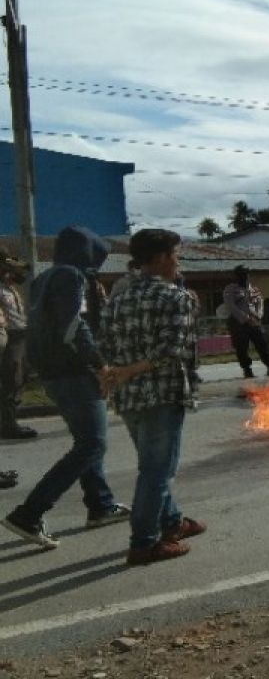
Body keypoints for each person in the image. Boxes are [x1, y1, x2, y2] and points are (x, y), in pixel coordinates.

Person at [3, 227, 129, 550]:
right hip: (74, 372)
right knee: (91, 444)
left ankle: (100, 504)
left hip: (52, 372)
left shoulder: (45, 278)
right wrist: (101, 365)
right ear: (85, 252)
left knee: (88, 443)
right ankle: (29, 513)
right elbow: (73, 326)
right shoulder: (71, 277)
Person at [101, 228, 206, 565]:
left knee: (152, 466)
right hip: (162, 393)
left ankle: (172, 522)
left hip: (129, 396)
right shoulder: (178, 298)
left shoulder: (119, 296)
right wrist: (132, 369)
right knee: (157, 471)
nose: (178, 261)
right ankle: (144, 543)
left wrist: (116, 375)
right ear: (161, 258)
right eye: (175, 254)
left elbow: (105, 343)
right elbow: (172, 349)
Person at [223, 265, 269, 379]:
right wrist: (245, 318)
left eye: (246, 274)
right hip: (238, 322)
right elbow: (231, 306)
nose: (244, 277)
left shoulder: (254, 289)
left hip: (254, 322)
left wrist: (258, 316)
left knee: (263, 344)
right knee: (241, 347)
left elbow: (260, 304)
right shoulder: (230, 289)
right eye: (241, 274)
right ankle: (247, 370)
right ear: (236, 276)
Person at [0, 255, 36, 439]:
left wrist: (14, 266)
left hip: (22, 336)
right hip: (10, 337)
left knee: (22, 378)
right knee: (11, 380)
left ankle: (9, 421)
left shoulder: (10, 287)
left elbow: (25, 270)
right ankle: (8, 425)